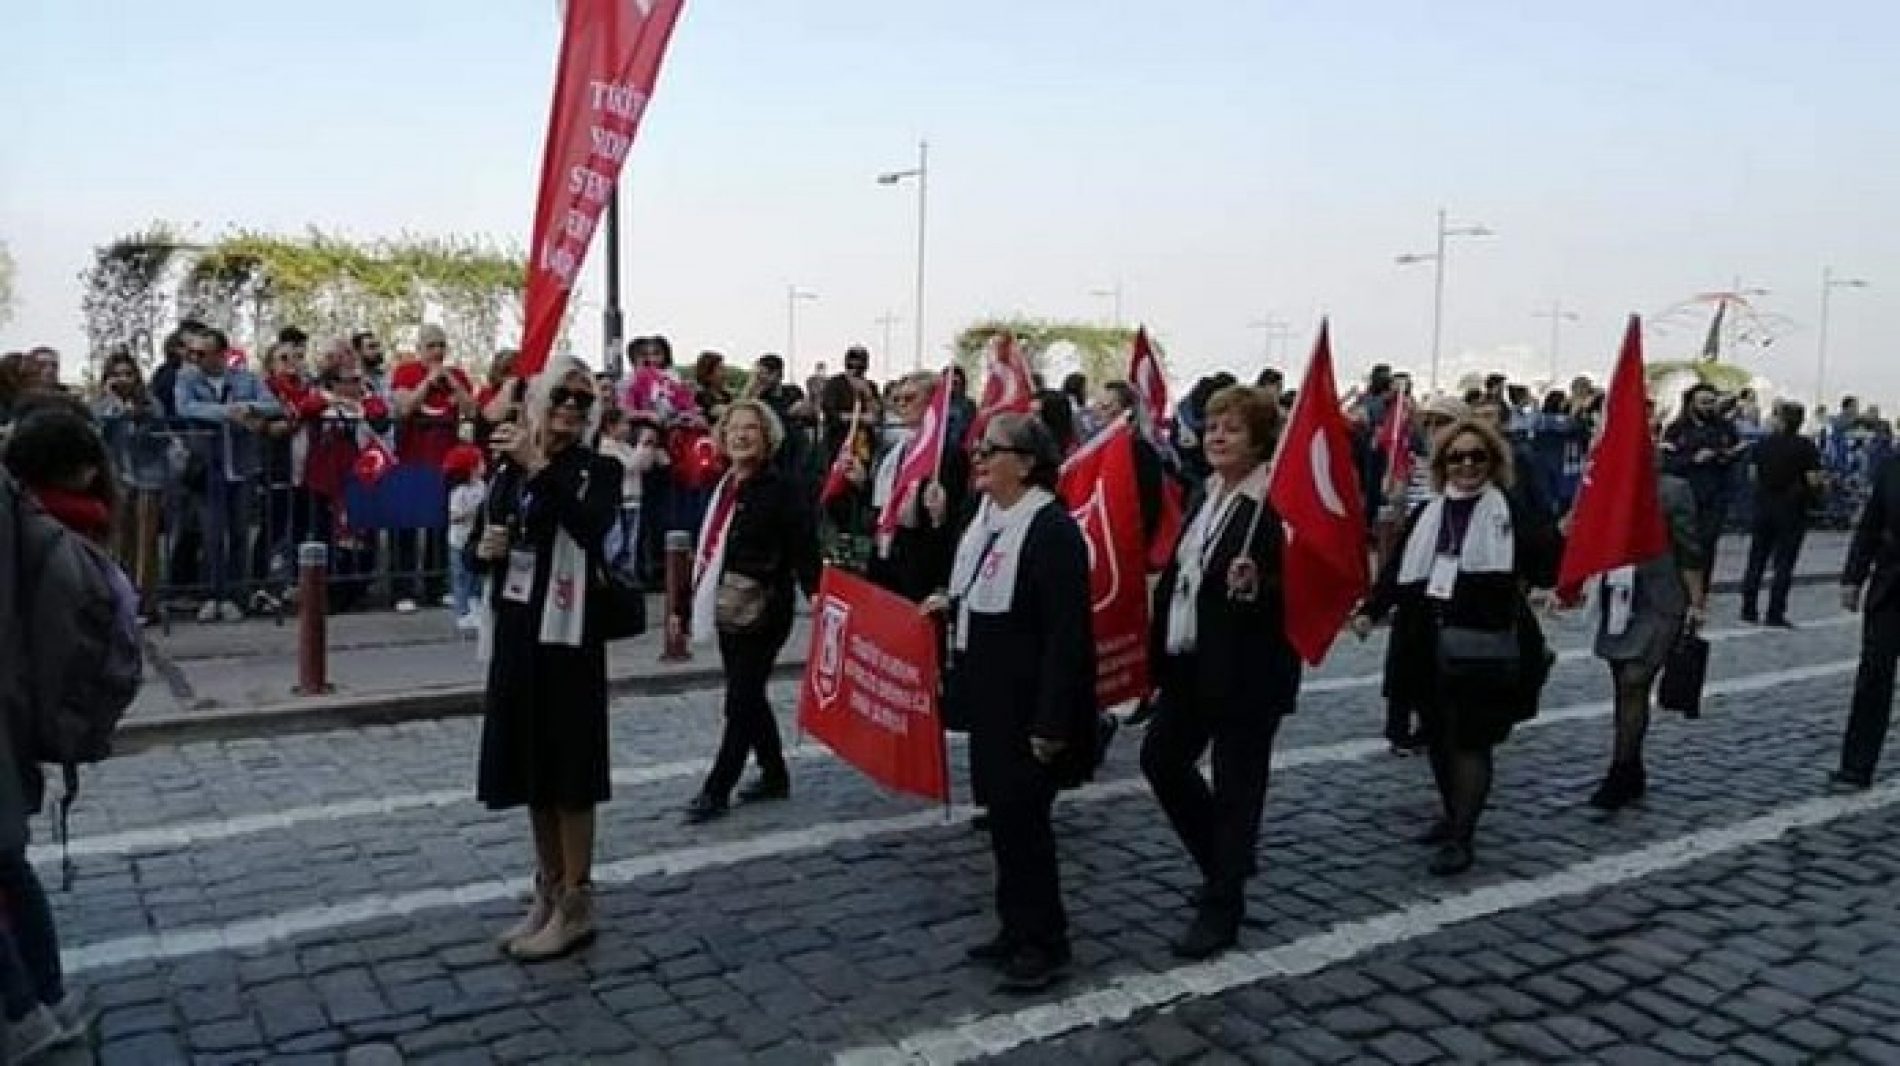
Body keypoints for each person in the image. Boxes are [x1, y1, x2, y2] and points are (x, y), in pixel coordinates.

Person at [926, 412, 1098, 993]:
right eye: (977, 448)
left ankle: (1045, 941)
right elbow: (973, 593)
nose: (976, 457)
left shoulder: (1051, 530)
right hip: (991, 699)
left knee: (1026, 825)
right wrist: (946, 606)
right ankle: (1013, 925)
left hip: (1029, 707)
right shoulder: (986, 521)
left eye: (990, 450)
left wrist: (1052, 721)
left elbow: (1066, 636)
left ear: (1026, 463)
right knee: (1002, 821)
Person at [1353, 418, 1557, 876]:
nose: (1467, 465)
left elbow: (1548, 559)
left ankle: (1463, 835)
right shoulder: (1428, 512)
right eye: (1457, 457)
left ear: (1493, 462)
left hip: (1481, 637)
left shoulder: (1509, 509)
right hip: (1423, 636)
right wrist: (1371, 610)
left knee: (1471, 739)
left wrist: (1553, 572)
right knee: (1437, 736)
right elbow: (1397, 568)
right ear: (1443, 464)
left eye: (1476, 457)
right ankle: (1450, 815)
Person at [469, 356, 622, 961]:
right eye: (561, 395)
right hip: (517, 625)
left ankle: (578, 898)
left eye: (583, 401)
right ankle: (548, 887)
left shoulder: (599, 469)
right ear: (536, 399)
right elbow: (493, 532)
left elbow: (589, 529)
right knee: (531, 763)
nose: (570, 408)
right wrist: (487, 548)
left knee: (569, 766)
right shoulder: (510, 463)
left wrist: (540, 469)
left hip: (571, 633)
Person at [1140, 386, 1299, 959]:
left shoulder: (1275, 506)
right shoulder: (1205, 496)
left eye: (1231, 428)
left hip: (1248, 671)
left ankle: (1222, 904)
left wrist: (1262, 586)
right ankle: (1225, 861)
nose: (1216, 436)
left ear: (1259, 441)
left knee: (1237, 788)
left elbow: (1305, 586)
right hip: (1191, 662)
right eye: (1211, 426)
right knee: (1160, 760)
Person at [1, 403, 125, 1060]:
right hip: (18, 710)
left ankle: (24, 1011)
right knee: (8, 865)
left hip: (9, 703)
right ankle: (43, 1000)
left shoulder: (32, 523)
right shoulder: (47, 522)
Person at [681, 400, 820, 824]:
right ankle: (774, 772)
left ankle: (717, 787)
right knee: (749, 693)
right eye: (734, 429)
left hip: (765, 605)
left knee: (739, 698)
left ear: (767, 437)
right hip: (727, 602)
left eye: (751, 429)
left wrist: (816, 594)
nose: (741, 436)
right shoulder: (724, 485)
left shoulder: (782, 487)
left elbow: (803, 546)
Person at [1587, 460, 1707, 809]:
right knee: (1621, 682)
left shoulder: (1672, 490)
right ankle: (1631, 763)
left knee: (1634, 681)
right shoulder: (1605, 486)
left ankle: (1621, 770)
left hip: (1660, 597)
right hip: (1619, 596)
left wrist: (1696, 601)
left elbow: (1689, 548)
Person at [175, 326, 282, 623]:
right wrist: (226, 412)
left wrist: (247, 406)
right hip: (208, 467)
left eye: (202, 353)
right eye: (192, 353)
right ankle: (211, 595)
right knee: (211, 535)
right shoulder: (187, 379)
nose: (195, 358)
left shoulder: (246, 379)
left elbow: (273, 405)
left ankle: (236, 595)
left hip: (242, 466)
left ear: (221, 354)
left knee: (238, 533)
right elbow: (185, 407)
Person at [844, 370, 968, 604]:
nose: (901, 404)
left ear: (932, 403)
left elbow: (955, 516)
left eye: (909, 398)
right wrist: (863, 484)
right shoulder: (896, 449)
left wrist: (940, 515)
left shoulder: (948, 454)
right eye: (897, 399)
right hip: (886, 552)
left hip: (921, 562)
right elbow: (883, 504)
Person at [389, 325, 477, 614]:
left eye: (442, 345)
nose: (437, 351)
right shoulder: (406, 372)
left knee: (441, 527)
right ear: (420, 349)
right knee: (408, 527)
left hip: (444, 463)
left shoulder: (456, 376)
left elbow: (471, 410)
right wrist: (428, 381)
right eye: (431, 346)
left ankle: (436, 586)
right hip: (412, 460)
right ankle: (402, 589)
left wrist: (452, 383)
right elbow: (404, 408)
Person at [1836, 447, 1900, 790]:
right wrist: (1853, 577)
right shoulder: (1892, 466)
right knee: (1874, 674)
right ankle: (1856, 767)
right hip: (1890, 588)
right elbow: (1870, 526)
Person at [92, 351, 171, 620]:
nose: (123, 379)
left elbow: (160, 436)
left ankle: (143, 599)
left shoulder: (150, 403)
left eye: (128, 374)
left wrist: (138, 417)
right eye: (116, 374)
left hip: (148, 476)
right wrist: (113, 407)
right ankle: (116, 596)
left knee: (145, 542)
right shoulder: (101, 405)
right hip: (116, 477)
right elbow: (97, 434)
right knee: (117, 539)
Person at [1741, 403, 1823, 627]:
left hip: (1764, 505)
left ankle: (1748, 608)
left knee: (1756, 558)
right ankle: (1774, 612)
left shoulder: (1762, 444)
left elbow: (1752, 475)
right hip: (1792, 509)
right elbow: (1814, 480)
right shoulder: (1806, 446)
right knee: (1784, 563)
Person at [1661, 383, 1745, 573]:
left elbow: (1737, 450)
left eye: (1712, 402)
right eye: (1704, 402)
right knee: (1683, 544)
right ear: (1692, 404)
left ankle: (1702, 591)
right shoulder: (1677, 429)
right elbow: (1668, 461)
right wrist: (1692, 458)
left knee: (1707, 544)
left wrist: (1725, 454)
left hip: (1715, 493)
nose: (1709, 407)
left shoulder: (1724, 427)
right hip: (1686, 493)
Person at [444, 446, 487, 633]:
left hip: (475, 539)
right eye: (480, 463)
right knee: (460, 576)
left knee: (476, 575)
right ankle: (462, 612)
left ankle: (475, 605)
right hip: (459, 540)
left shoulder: (482, 486)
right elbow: (453, 516)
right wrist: (472, 513)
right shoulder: (459, 492)